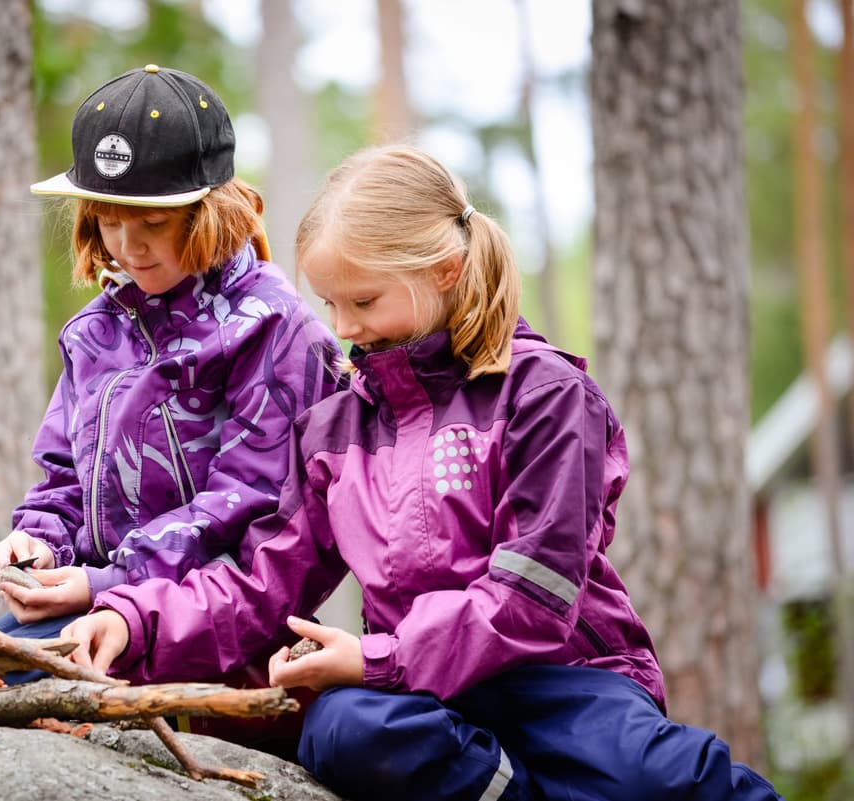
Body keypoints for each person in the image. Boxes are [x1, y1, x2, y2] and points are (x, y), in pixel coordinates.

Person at [62, 145, 783, 800]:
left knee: (649, 774)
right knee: (345, 731)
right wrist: (134, 617)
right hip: (420, 701)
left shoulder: (545, 393)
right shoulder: (337, 428)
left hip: (564, 682)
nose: (342, 326)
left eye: (364, 300)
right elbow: (261, 582)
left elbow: (533, 597)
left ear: (443, 270)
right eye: (330, 303)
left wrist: (379, 656)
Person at [0, 63, 341, 708]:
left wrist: (104, 584)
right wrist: (39, 540)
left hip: (206, 627)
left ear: (209, 211)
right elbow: (64, 473)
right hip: (99, 605)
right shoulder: (95, 332)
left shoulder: (275, 330)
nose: (128, 247)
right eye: (111, 222)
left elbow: (252, 506)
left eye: (152, 223)